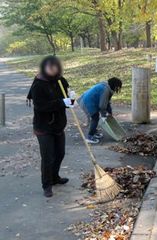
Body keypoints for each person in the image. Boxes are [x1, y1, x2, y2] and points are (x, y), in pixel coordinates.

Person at [29, 56, 72, 197]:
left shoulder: (61, 80)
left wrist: (71, 99)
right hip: (43, 127)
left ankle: (54, 177)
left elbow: (66, 97)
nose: (53, 69)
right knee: (48, 157)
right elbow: (41, 106)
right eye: (50, 67)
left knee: (60, 153)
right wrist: (61, 102)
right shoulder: (38, 85)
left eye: (55, 66)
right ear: (44, 68)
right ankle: (47, 185)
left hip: (58, 126)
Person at [78, 77, 122, 144]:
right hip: (87, 102)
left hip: (89, 100)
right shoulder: (105, 90)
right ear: (114, 85)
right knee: (95, 118)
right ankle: (90, 137)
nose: (117, 89)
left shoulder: (107, 87)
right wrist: (104, 115)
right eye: (117, 87)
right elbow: (102, 105)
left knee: (96, 117)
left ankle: (94, 132)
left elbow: (107, 103)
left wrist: (110, 113)